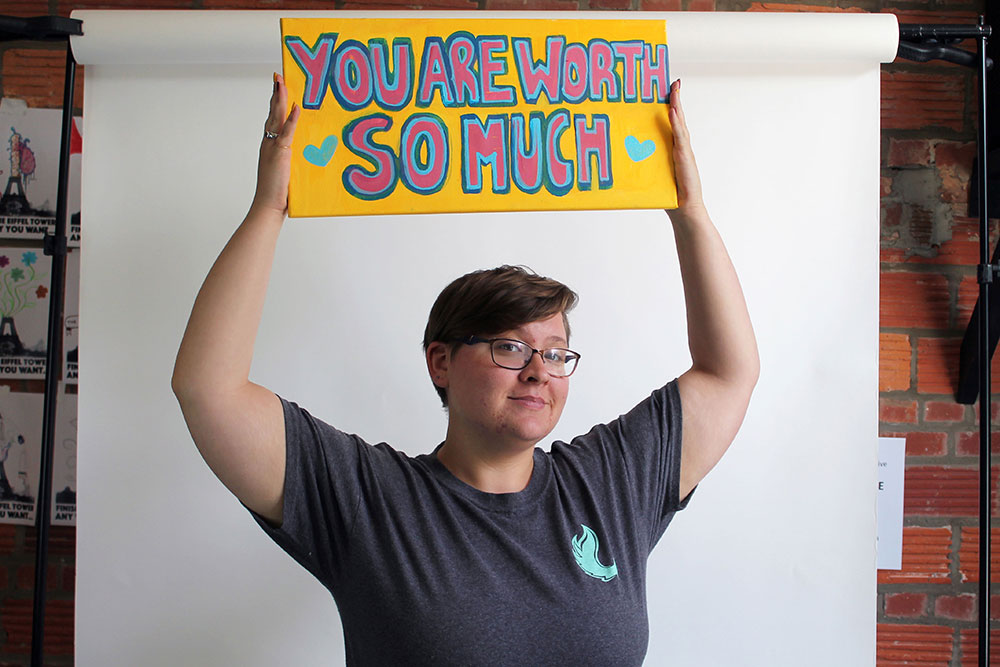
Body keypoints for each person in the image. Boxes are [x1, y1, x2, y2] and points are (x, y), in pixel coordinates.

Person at [172, 73, 758, 665]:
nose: (538, 372)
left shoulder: (611, 484)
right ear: (441, 362)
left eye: (555, 353)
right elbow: (209, 391)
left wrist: (691, 215)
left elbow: (728, 374)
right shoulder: (369, 501)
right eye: (510, 347)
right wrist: (268, 209)